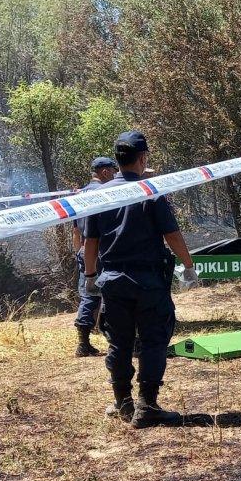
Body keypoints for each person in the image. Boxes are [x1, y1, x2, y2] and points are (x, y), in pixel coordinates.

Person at [83, 131, 199, 428]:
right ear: (143, 157)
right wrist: (188, 266)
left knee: (118, 343)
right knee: (153, 340)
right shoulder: (151, 191)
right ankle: (147, 406)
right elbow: (171, 234)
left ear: (118, 161)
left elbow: (91, 240)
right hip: (148, 282)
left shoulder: (101, 195)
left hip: (112, 282)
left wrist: (90, 276)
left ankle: (123, 403)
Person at [73, 157, 118, 357]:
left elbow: (75, 230)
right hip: (102, 249)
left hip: (84, 249)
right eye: (113, 172)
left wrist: (79, 253)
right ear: (105, 172)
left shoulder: (78, 195)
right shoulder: (105, 193)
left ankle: (83, 343)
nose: (116, 176)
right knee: (109, 292)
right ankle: (114, 339)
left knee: (88, 294)